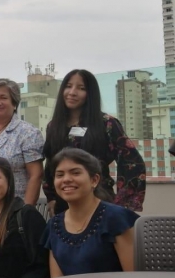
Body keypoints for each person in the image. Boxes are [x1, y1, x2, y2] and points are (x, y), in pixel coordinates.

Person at [43, 69, 146, 215]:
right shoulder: (53, 126)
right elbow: (50, 164)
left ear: (90, 94)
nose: (72, 92)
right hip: (64, 201)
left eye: (81, 88)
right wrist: (51, 197)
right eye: (68, 86)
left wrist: (123, 204)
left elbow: (133, 163)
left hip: (99, 200)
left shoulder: (106, 123)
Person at [42, 148, 138, 277]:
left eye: (75, 173)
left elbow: (133, 277)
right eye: (59, 175)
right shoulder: (54, 225)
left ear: (94, 180)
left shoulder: (116, 218)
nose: (66, 179)